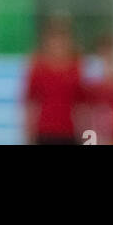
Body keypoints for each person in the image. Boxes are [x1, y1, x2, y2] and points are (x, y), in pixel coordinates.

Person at [23, 16, 91, 145]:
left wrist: (86, 134)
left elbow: (83, 106)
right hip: (44, 132)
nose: (58, 44)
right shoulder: (38, 67)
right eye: (54, 40)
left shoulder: (76, 67)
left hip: (69, 132)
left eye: (62, 40)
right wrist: (28, 134)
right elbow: (30, 104)